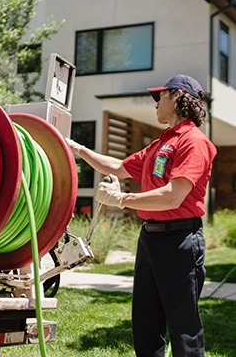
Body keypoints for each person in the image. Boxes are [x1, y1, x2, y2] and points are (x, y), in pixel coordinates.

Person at [66, 74, 217, 357]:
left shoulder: (194, 142)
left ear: (176, 97)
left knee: (184, 328)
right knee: (146, 325)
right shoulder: (161, 143)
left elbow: (173, 196)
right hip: (150, 239)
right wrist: (77, 149)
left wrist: (122, 199)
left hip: (180, 239)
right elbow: (118, 166)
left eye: (159, 96)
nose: (155, 102)